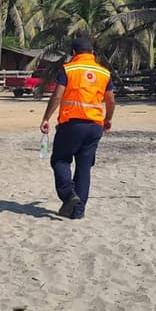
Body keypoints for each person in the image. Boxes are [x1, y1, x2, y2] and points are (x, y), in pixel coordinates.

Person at [39, 37, 115, 220]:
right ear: (92, 53)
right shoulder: (104, 72)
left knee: (60, 160)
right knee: (84, 167)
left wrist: (46, 118)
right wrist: (108, 119)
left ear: (73, 52)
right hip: (95, 125)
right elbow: (111, 100)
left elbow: (57, 96)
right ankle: (78, 211)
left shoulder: (69, 69)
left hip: (71, 124)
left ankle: (68, 195)